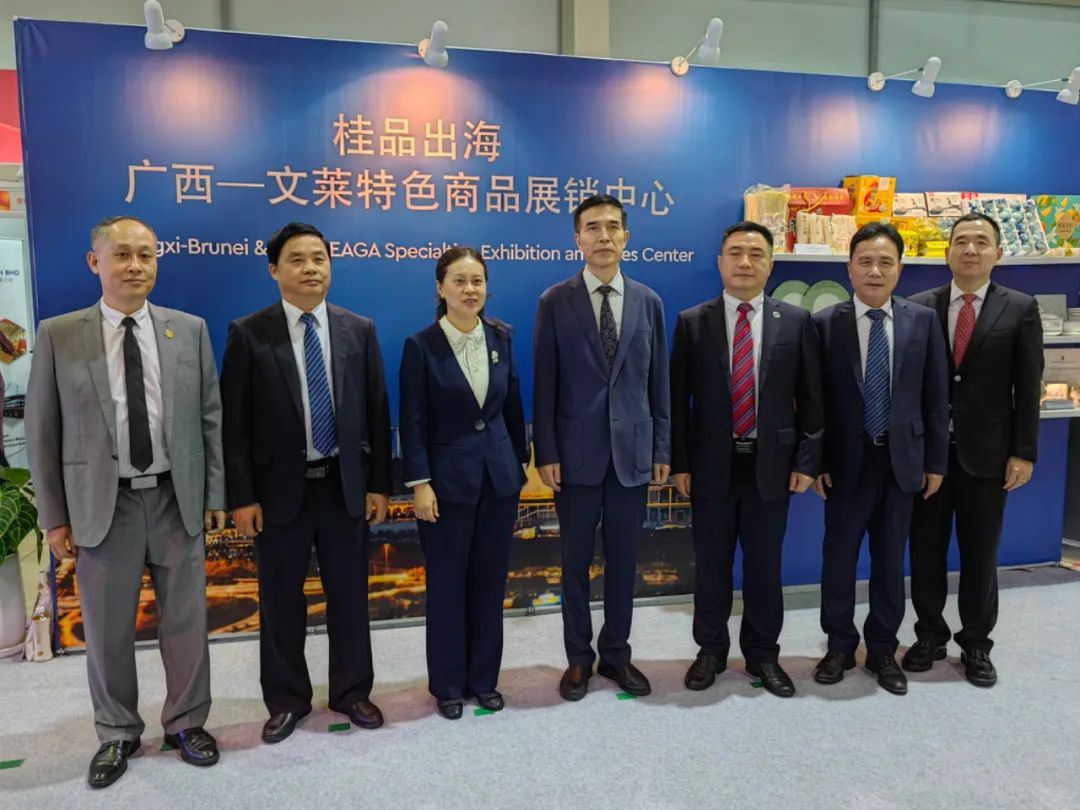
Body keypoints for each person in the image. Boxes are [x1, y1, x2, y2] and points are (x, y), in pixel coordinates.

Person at [26, 215, 225, 788]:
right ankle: (116, 731)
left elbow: (209, 418)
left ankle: (187, 723)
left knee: (186, 623)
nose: (136, 266)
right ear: (96, 263)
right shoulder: (60, 334)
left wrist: (214, 492)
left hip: (174, 499)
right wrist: (54, 517)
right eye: (122, 255)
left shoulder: (188, 330)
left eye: (146, 255)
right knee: (108, 629)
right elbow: (42, 432)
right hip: (101, 505)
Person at [220, 222, 392, 743]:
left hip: (344, 487)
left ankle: (352, 691)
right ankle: (286, 699)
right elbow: (234, 425)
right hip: (277, 495)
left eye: (319, 258)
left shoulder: (358, 329)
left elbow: (377, 412)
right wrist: (242, 496)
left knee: (350, 596)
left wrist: (379, 484)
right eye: (297, 259)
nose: (311, 268)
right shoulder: (249, 333)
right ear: (274, 270)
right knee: (280, 601)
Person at [670, 221, 824, 698]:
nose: (744, 262)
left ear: (770, 264)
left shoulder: (795, 322)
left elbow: (813, 401)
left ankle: (763, 654)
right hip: (710, 466)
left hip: (771, 466)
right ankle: (710, 651)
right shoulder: (692, 322)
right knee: (711, 566)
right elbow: (677, 401)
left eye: (756, 253)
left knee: (764, 566)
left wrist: (807, 462)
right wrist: (680, 463)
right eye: (735, 252)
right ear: (720, 263)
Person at [533, 194, 671, 701]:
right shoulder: (555, 301)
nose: (604, 236)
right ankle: (578, 658)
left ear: (626, 237)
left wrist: (662, 448)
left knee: (623, 561)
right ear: (578, 239)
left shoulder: (649, 302)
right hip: (575, 457)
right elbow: (544, 383)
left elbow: (659, 384)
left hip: (633, 455)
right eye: (593, 227)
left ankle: (616, 655)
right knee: (574, 565)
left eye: (613, 226)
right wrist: (546, 452)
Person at [903, 212, 1043, 687]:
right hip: (930, 458)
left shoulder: (1020, 308)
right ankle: (929, 636)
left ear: (997, 253)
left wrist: (1024, 451)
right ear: (946, 253)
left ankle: (977, 644)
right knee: (925, 552)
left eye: (981, 242)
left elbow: (1028, 385)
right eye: (961, 241)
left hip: (989, 456)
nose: (970, 249)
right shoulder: (920, 306)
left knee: (980, 555)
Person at [811, 221, 948, 695]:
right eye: (865, 261)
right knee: (839, 558)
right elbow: (814, 402)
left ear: (899, 270)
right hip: (845, 463)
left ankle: (883, 648)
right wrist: (815, 461)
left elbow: (936, 397)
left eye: (885, 262)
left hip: (901, 461)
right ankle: (839, 645)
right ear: (849, 268)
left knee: (890, 560)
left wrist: (935, 462)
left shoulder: (922, 321)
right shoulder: (824, 324)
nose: (875, 270)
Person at [399, 247, 529, 720]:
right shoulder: (421, 346)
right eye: (459, 281)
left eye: (477, 281)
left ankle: (483, 680)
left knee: (490, 585)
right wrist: (420, 483)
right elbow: (412, 421)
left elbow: (512, 407)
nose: (470, 290)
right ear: (440, 288)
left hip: (498, 481)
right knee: (448, 587)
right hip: (445, 486)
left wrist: (518, 464)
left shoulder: (501, 337)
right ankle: (449, 685)